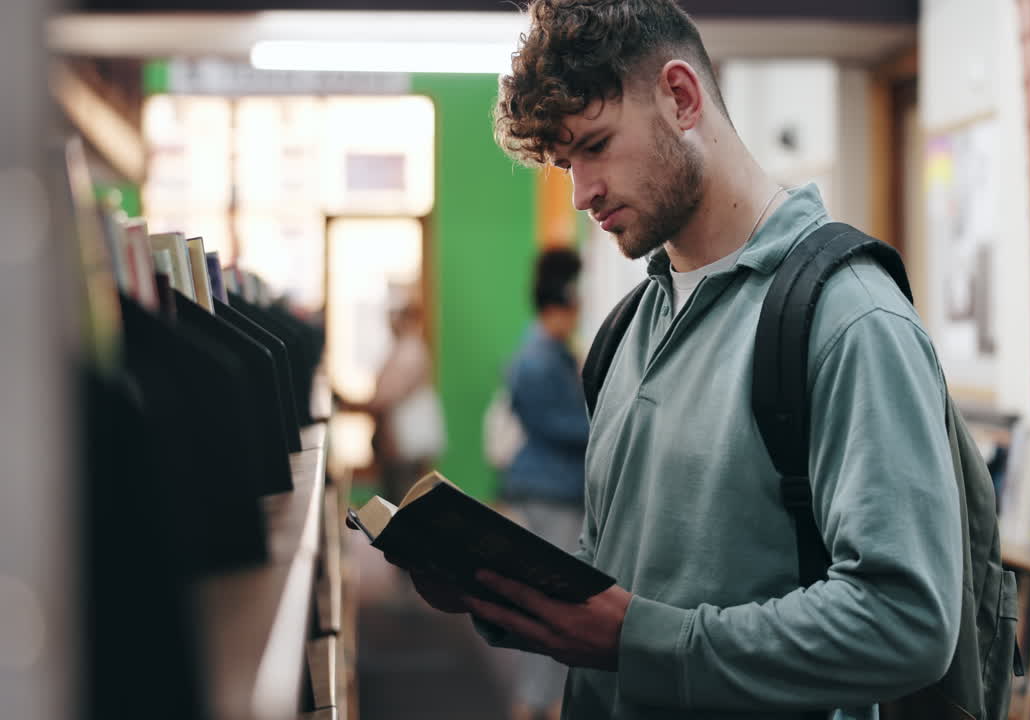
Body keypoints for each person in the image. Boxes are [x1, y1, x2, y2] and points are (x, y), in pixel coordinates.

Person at [395, 2, 963, 718]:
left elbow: (907, 621)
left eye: (596, 145)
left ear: (682, 97)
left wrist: (643, 639)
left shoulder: (849, 318)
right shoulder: (627, 330)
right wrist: (494, 590)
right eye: (568, 163)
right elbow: (613, 588)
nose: (582, 194)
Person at [500, 247, 591, 720]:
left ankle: (542, 701)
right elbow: (558, 426)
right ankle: (534, 703)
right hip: (550, 492)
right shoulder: (538, 358)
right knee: (552, 605)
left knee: (549, 603)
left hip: (550, 489)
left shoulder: (548, 352)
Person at [338, 288, 445, 504]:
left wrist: (354, 405)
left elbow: (388, 396)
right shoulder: (400, 348)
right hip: (396, 443)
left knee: (403, 502)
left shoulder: (411, 351)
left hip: (404, 443)